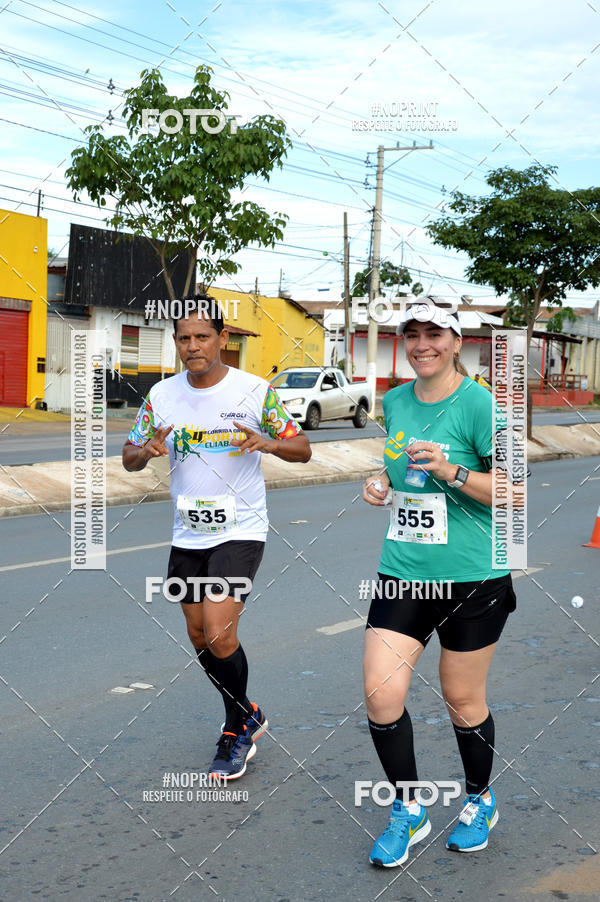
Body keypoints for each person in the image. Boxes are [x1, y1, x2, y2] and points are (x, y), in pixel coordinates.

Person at [123, 295, 311, 779]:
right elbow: (128, 456)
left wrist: (270, 442)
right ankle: (248, 711)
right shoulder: (162, 395)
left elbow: (302, 447)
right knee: (197, 633)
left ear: (223, 339)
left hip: (241, 529)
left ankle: (236, 728)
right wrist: (145, 452)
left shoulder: (254, 391)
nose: (193, 346)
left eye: (202, 336)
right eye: (184, 338)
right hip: (188, 532)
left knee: (220, 631)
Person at [361, 299, 518, 867]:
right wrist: (381, 480)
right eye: (412, 334)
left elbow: (516, 492)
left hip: (473, 577)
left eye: (434, 334)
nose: (422, 343)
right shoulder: (396, 399)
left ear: (456, 342)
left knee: (461, 698)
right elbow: (399, 466)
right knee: (382, 695)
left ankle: (479, 799)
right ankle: (409, 808)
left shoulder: (481, 406)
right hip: (404, 571)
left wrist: (452, 470)